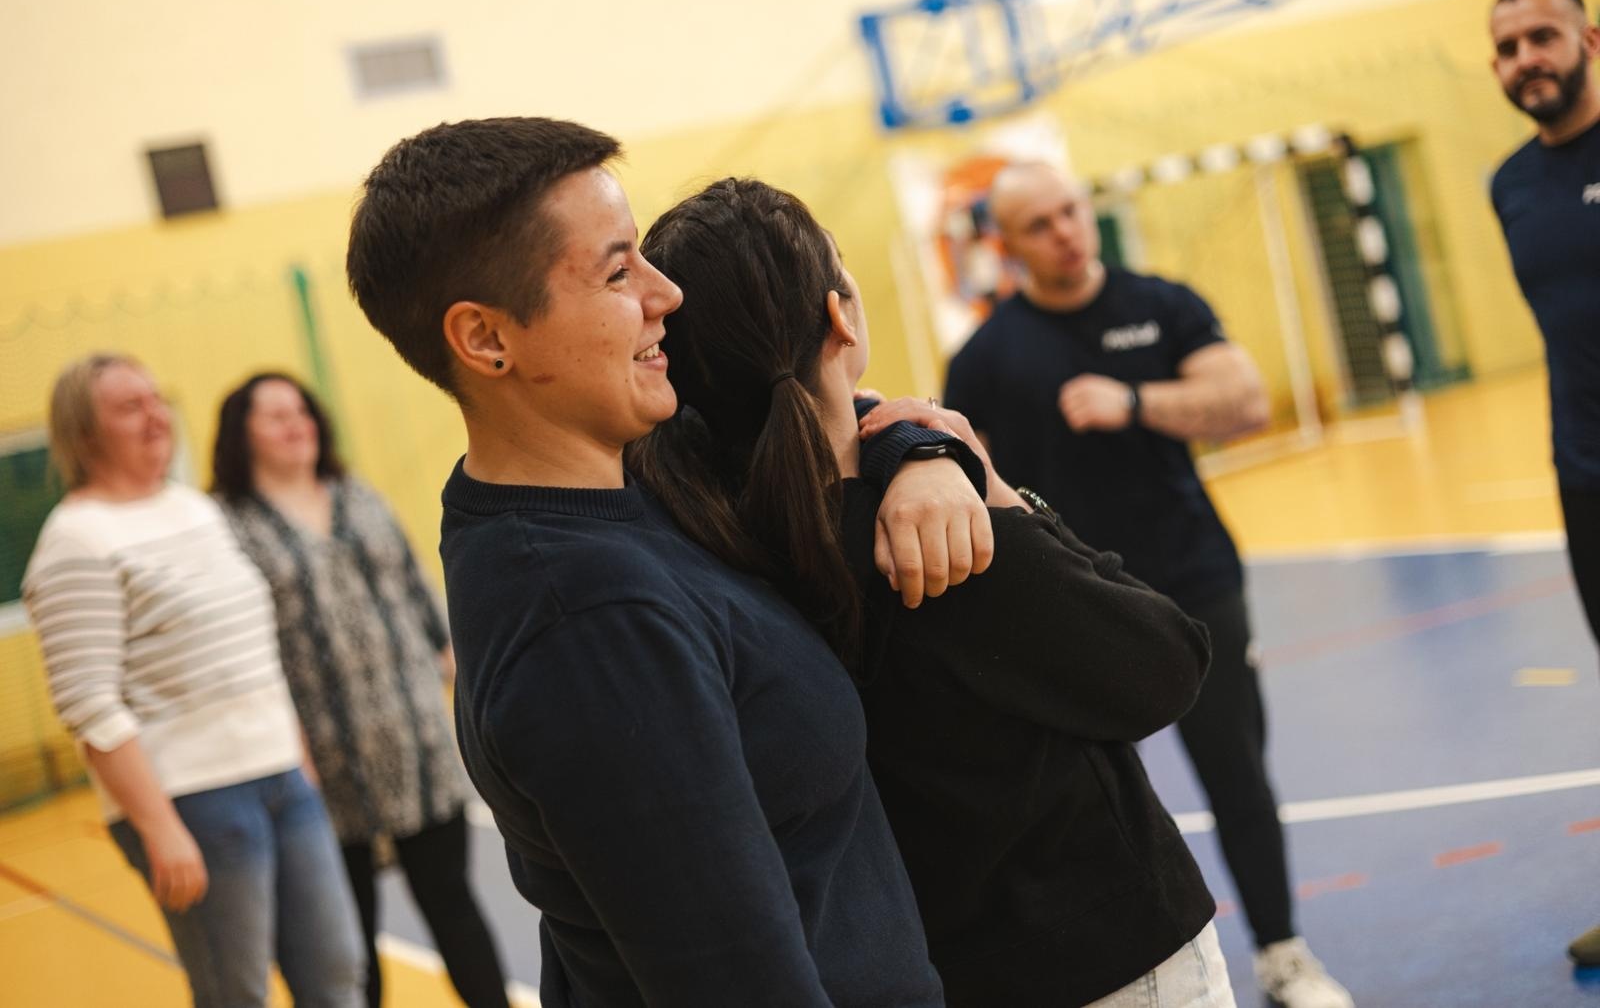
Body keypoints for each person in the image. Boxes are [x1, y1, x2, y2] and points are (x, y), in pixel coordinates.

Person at [345, 116, 995, 1006]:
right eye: (618, 272)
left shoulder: (623, 481)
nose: (666, 294)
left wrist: (919, 456)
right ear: (488, 340)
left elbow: (823, 416)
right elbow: (733, 983)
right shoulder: (589, 619)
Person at [629, 175, 1234, 1007]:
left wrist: (914, 446)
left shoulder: (715, 537)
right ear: (841, 315)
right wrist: (990, 484)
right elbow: (1167, 662)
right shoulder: (940, 540)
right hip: (1105, 956)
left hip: (932, 968)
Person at [938, 161, 1354, 1008]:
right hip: (1069, 611)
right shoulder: (984, 357)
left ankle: (1282, 952)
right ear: (1007, 246)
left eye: (1071, 210)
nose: (1065, 230)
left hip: (1189, 579)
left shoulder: (1161, 304)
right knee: (1076, 801)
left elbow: (1243, 399)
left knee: (1235, 770)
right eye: (1040, 223)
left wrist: (1132, 401)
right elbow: (966, 473)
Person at [22, 353, 364, 1008]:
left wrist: (295, 755)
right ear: (84, 432)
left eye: (156, 398)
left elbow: (254, 654)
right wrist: (158, 826)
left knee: (336, 973)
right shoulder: (75, 541)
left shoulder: (194, 509)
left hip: (281, 777)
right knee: (235, 992)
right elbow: (88, 703)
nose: (155, 415)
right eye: (129, 406)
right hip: (190, 798)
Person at [211, 372, 511, 1008]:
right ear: (242, 437)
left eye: (302, 411)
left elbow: (415, 587)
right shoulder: (228, 528)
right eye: (275, 417)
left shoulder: (358, 495)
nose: (297, 424)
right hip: (317, 763)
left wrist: (463, 671)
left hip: (414, 741)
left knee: (452, 904)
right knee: (347, 937)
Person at [1486, 0, 1600, 966]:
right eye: (1507, 46)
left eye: (1541, 36)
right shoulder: (1509, 183)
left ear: (1588, 39)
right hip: (1585, 472)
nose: (1526, 59)